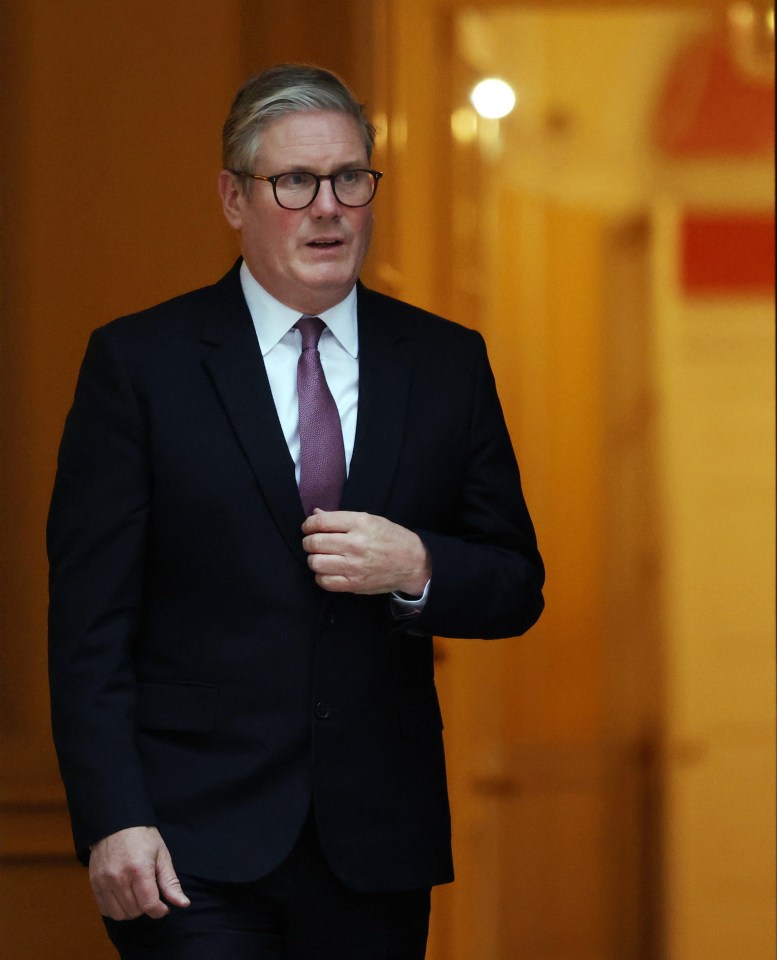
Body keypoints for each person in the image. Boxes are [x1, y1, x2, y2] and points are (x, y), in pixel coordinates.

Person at [47, 63, 544, 960]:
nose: (329, 207)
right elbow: (89, 625)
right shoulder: (140, 365)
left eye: (351, 178)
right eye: (295, 182)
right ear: (234, 199)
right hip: (188, 847)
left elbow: (515, 583)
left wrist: (419, 568)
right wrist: (113, 819)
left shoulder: (444, 364)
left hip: (377, 846)